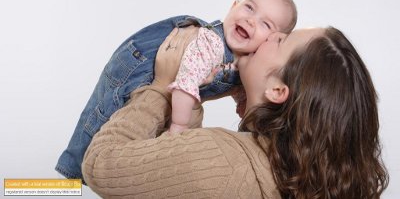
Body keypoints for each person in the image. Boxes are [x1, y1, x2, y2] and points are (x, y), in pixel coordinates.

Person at [82, 26, 388, 198]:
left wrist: (161, 86)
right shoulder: (291, 176)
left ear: (278, 90)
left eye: (280, 40)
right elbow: (177, 172)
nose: (269, 33)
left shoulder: (222, 159)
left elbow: (100, 165)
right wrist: (187, 94)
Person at [56, 0, 298, 182]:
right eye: (249, 8)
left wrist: (242, 102)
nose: (251, 21)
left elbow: (238, 81)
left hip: (170, 82)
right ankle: (73, 171)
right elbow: (186, 84)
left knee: (142, 146)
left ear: (274, 40)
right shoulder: (210, 44)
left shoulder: (248, 61)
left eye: (266, 24)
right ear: (233, 6)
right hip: (140, 66)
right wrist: (180, 128)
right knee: (103, 118)